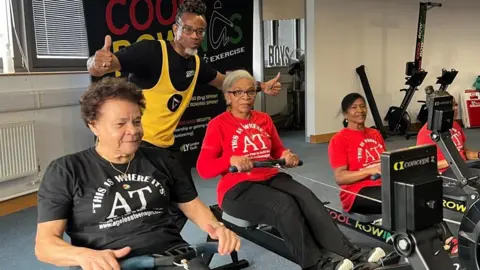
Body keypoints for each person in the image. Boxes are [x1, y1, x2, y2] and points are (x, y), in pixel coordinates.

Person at [87, 0, 282, 230]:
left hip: (165, 146)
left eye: (199, 31)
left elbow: (226, 83)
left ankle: (164, 244)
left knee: (186, 201)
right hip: (132, 145)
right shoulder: (151, 51)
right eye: (188, 29)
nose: (194, 35)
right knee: (130, 211)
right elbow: (104, 65)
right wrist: (96, 63)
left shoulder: (197, 63)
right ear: (175, 29)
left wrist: (261, 86)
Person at [34, 77, 241, 270]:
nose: (133, 131)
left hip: (171, 256)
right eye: (120, 124)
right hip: (111, 264)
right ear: (93, 126)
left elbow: (193, 206)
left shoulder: (162, 159)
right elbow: (45, 245)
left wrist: (215, 227)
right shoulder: (66, 170)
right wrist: (82, 256)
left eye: (136, 121)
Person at [196, 70, 387, 270]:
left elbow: (277, 149)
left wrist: (287, 154)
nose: (246, 97)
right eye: (238, 92)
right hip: (236, 189)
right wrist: (229, 159)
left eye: (251, 92)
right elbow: (203, 169)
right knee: (284, 205)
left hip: (270, 176)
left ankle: (352, 253)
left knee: (307, 197)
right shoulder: (218, 124)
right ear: (228, 95)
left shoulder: (263, 119)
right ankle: (315, 264)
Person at [328, 93, 384, 215]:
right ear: (345, 113)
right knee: (398, 199)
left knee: (414, 193)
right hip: (357, 191)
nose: (360, 110)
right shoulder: (339, 139)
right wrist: (369, 171)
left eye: (363, 106)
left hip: (383, 184)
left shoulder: (375, 134)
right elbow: (340, 178)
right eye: (354, 107)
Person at [416, 92, 480, 187]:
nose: (455, 108)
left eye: (455, 104)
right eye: (451, 106)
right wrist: (454, 161)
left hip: (460, 168)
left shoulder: (455, 125)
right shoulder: (426, 133)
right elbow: (424, 165)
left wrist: (478, 155)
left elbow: (463, 153)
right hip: (444, 175)